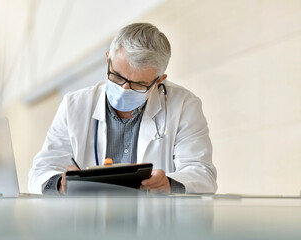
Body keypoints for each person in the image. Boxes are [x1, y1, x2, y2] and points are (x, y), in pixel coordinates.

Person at [28, 23, 217, 195]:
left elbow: (203, 174)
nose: (123, 89)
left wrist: (168, 182)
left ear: (159, 80)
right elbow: (41, 171)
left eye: (138, 84)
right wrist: (60, 184)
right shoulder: (74, 105)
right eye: (117, 77)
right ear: (108, 59)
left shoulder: (185, 105)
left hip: (155, 226)